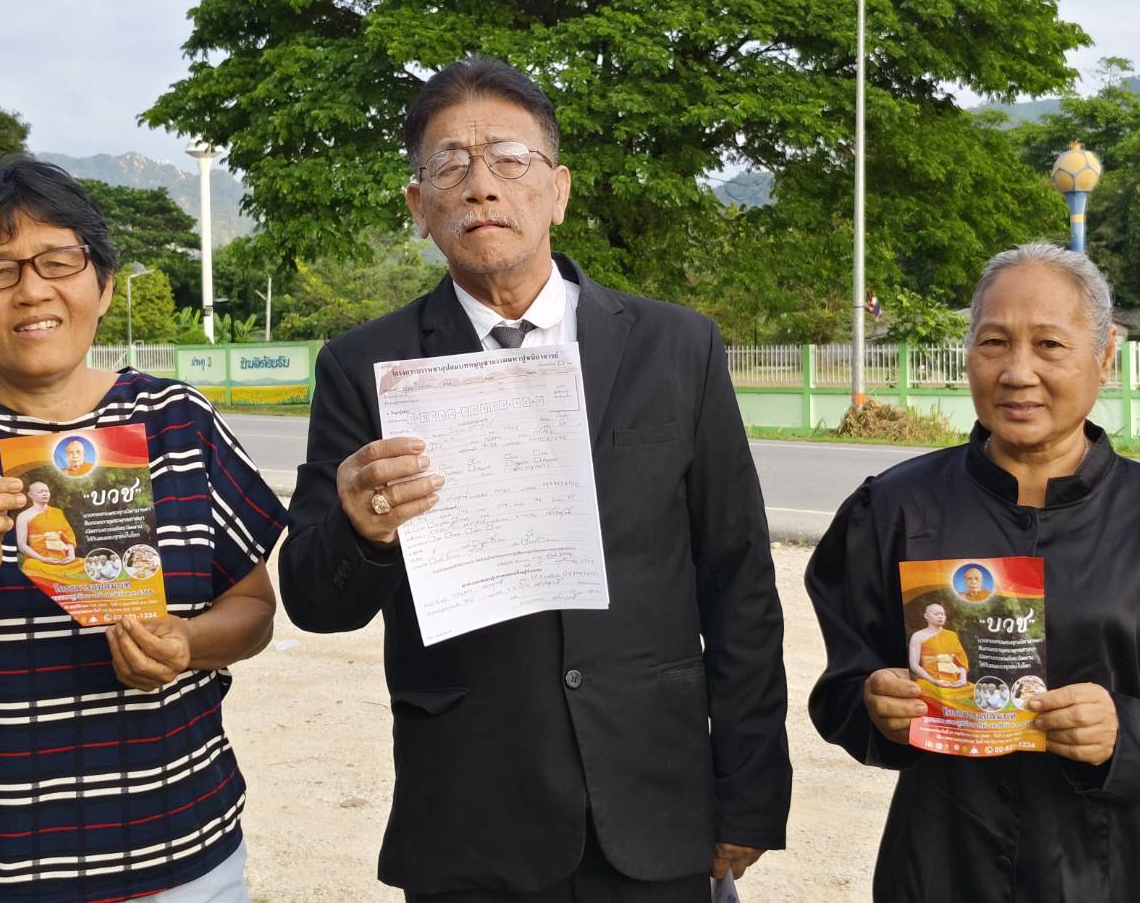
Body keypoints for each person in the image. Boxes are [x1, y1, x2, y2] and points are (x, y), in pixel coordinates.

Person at [280, 57, 791, 899]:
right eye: (449, 164)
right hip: (472, 811)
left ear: (557, 190)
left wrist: (749, 791)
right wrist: (361, 530)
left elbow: (737, 578)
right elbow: (315, 601)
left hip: (656, 802)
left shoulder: (676, 348)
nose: (480, 186)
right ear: (417, 207)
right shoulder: (364, 366)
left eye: (508, 159)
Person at [0, 156, 285, 901]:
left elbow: (255, 613)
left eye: (58, 261)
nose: (33, 289)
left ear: (101, 284)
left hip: (180, 861)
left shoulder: (178, 423)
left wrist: (187, 642)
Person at [804, 242, 1140, 900]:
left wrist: (1124, 731)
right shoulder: (894, 509)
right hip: (942, 867)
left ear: (1104, 354)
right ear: (967, 352)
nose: (1017, 372)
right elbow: (840, 689)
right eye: (993, 343)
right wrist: (871, 704)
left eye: (1049, 345)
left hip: (1119, 874)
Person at [14, 480, 83, 584]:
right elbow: (22, 545)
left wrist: (71, 555)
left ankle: (61, 572)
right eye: (40, 491)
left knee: (85, 563)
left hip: (61, 560)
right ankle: (59, 574)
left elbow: (68, 538)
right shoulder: (24, 516)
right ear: (30, 495)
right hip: (39, 560)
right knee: (31, 566)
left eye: (47, 491)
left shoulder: (57, 512)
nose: (45, 493)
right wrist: (43, 559)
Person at [906, 603, 968, 701]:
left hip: (954, 681)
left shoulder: (952, 635)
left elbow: (960, 661)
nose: (940, 616)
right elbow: (914, 665)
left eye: (942, 614)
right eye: (936, 614)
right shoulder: (918, 636)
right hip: (928, 680)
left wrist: (963, 679)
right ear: (926, 616)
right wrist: (934, 681)